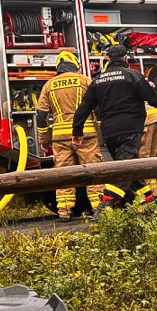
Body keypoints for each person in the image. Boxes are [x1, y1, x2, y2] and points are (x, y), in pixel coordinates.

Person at [72, 45, 157, 213]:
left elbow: (83, 108)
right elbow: (153, 97)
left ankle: (149, 204)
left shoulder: (98, 81)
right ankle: (104, 208)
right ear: (126, 58)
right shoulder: (133, 76)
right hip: (130, 130)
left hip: (110, 133)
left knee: (130, 169)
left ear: (108, 59)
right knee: (124, 170)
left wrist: (77, 131)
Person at [36, 50, 102, 221]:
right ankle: (99, 208)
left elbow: (41, 116)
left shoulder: (49, 85)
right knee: (93, 172)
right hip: (86, 135)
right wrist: (103, 130)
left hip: (59, 139)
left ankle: (64, 212)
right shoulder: (85, 80)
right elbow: (98, 107)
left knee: (64, 175)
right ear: (75, 65)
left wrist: (44, 139)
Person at [136, 102, 157, 204]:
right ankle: (154, 194)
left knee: (143, 159)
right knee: (151, 158)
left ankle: (149, 196)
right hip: (156, 116)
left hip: (146, 119)